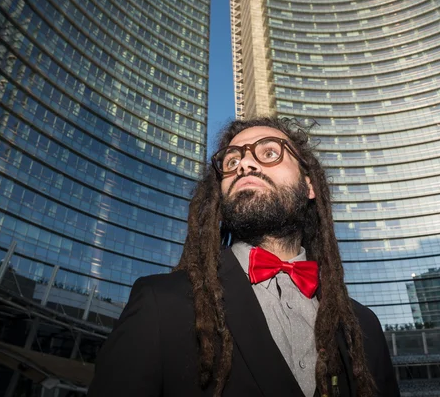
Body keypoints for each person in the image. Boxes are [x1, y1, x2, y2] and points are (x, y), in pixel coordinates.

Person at [87, 117, 399, 397]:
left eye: (269, 153)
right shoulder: (159, 302)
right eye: (232, 160)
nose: (245, 165)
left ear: (309, 186)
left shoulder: (365, 326)